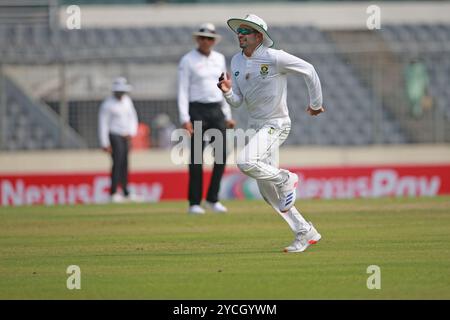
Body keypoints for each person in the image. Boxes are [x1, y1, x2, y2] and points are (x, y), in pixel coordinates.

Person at [217, 14, 324, 253]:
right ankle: (304, 231)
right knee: (267, 192)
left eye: (246, 31)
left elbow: (309, 69)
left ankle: (286, 178)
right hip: (255, 126)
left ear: (259, 36)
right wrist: (226, 93)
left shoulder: (274, 57)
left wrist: (316, 104)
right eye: (239, 31)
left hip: (276, 124)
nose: (240, 35)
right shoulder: (235, 61)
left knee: (245, 161)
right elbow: (238, 102)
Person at [178, 23, 236, 214]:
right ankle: (194, 203)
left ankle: (212, 199)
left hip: (216, 109)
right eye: (202, 38)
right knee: (196, 157)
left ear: (213, 41)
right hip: (196, 109)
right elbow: (182, 91)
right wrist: (185, 118)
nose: (205, 41)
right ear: (197, 39)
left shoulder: (219, 58)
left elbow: (223, 87)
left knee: (221, 155)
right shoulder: (187, 60)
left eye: (209, 38)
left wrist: (227, 114)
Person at [98, 77, 139, 203]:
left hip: (125, 136)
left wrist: (132, 132)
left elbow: (133, 118)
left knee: (125, 163)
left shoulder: (127, 101)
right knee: (117, 162)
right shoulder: (107, 104)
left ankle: (126, 191)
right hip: (114, 135)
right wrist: (105, 143)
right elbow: (103, 124)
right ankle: (113, 191)